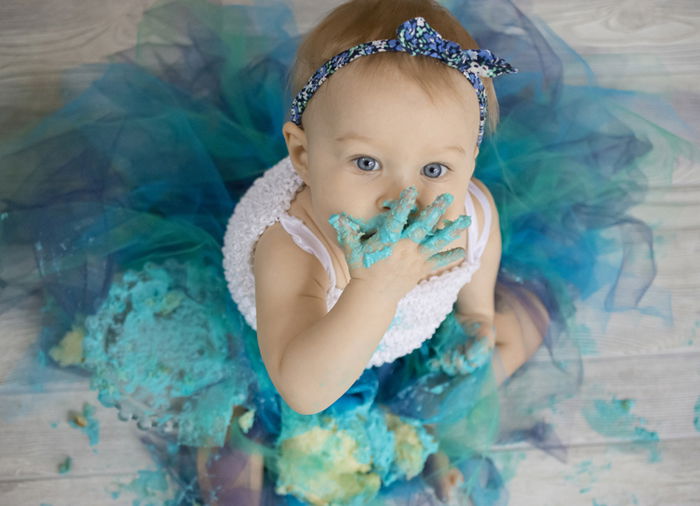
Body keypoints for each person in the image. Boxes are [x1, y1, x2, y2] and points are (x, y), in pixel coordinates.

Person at [0, 0, 691, 504]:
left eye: (435, 170)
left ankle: (426, 420)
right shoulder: (292, 245)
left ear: (469, 160)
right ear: (301, 153)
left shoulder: (467, 205)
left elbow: (480, 262)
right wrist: (377, 288)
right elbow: (303, 380)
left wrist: (477, 322)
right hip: (290, 350)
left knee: (525, 321)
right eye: (366, 164)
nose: (405, 200)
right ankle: (232, 456)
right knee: (247, 417)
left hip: (401, 330)